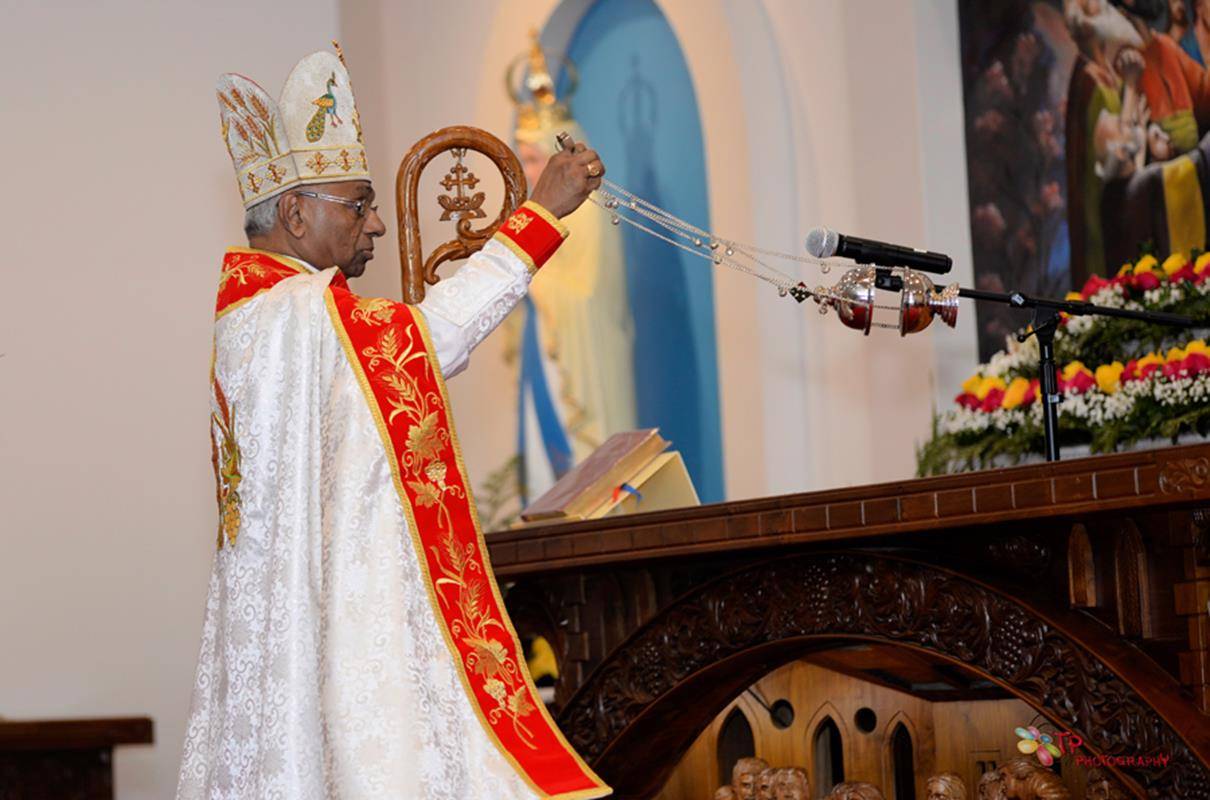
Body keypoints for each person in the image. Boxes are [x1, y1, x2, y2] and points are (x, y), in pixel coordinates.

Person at [177, 45, 610, 799]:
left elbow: (402, 351)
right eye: (358, 203)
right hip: (339, 626)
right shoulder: (289, 318)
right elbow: (430, 339)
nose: (376, 224)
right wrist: (538, 216)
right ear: (293, 212)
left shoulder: (266, 317)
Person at [508, 32, 637, 503]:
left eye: (534, 157)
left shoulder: (591, 206)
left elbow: (590, 294)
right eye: (522, 158)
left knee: (586, 464)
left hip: (581, 350)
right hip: (544, 345)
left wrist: (527, 280)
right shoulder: (534, 207)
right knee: (546, 473)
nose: (527, 170)